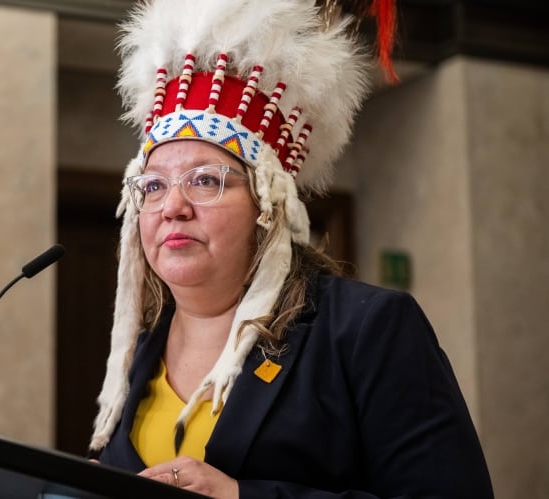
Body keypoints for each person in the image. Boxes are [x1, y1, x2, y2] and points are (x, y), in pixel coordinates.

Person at [87, 0, 494, 497]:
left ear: (269, 203)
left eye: (205, 181)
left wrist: (243, 497)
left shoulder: (366, 329)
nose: (172, 205)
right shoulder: (139, 349)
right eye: (150, 186)